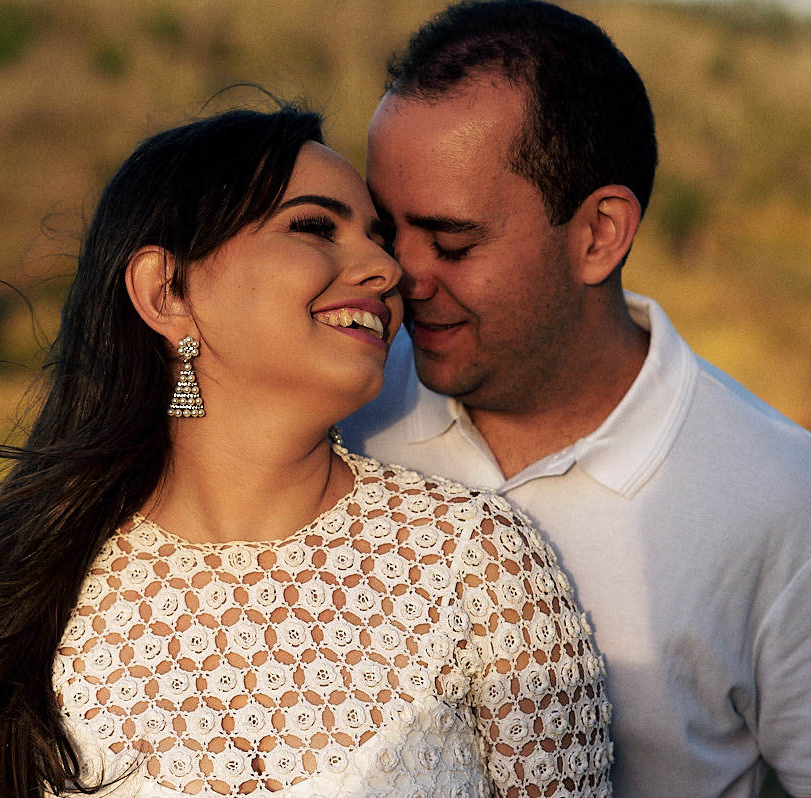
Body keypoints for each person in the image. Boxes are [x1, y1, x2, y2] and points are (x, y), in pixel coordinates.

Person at [0, 105, 614, 796]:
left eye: (377, 237)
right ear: (166, 292)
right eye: (313, 227)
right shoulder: (51, 592)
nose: (385, 269)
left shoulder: (475, 563)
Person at [338, 2, 811, 796]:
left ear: (598, 234)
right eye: (387, 231)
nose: (400, 276)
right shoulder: (341, 409)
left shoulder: (782, 500)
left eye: (451, 242)